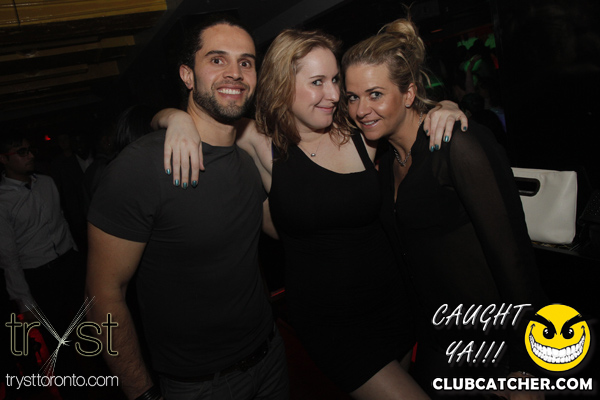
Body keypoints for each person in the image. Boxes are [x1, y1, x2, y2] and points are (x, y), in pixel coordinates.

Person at [155, 28, 467, 398]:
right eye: (317, 82)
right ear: (282, 85)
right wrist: (175, 119)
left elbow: (404, 110)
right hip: (332, 325)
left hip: (394, 304)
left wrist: (446, 108)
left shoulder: (359, 131)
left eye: (335, 80)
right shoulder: (261, 141)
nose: (333, 94)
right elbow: (191, 115)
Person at [341, 18, 546, 399]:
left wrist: (528, 366)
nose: (361, 109)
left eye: (375, 94)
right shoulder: (386, 162)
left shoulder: (458, 145)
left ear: (408, 93)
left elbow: (514, 259)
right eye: (352, 97)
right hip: (438, 342)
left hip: (494, 345)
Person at [86, 16, 289, 400]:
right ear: (187, 75)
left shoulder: (245, 159)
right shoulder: (140, 167)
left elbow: (282, 230)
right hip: (199, 385)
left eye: (246, 62)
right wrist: (141, 393)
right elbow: (102, 297)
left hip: (270, 356)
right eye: (217, 60)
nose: (235, 73)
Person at [0, 132, 84, 399]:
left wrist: (75, 255)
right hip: (40, 277)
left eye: (30, 150)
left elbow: (62, 220)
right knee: (58, 341)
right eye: (21, 152)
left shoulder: (46, 182)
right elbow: (8, 256)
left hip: (68, 264)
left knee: (88, 327)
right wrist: (25, 302)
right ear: (4, 159)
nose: (30, 156)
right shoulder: (3, 201)